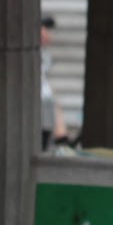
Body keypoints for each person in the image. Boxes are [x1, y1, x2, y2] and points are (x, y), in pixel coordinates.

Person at [39, 14, 71, 152]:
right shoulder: (34, 54)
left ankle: (61, 137)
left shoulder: (44, 55)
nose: (49, 35)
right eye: (45, 29)